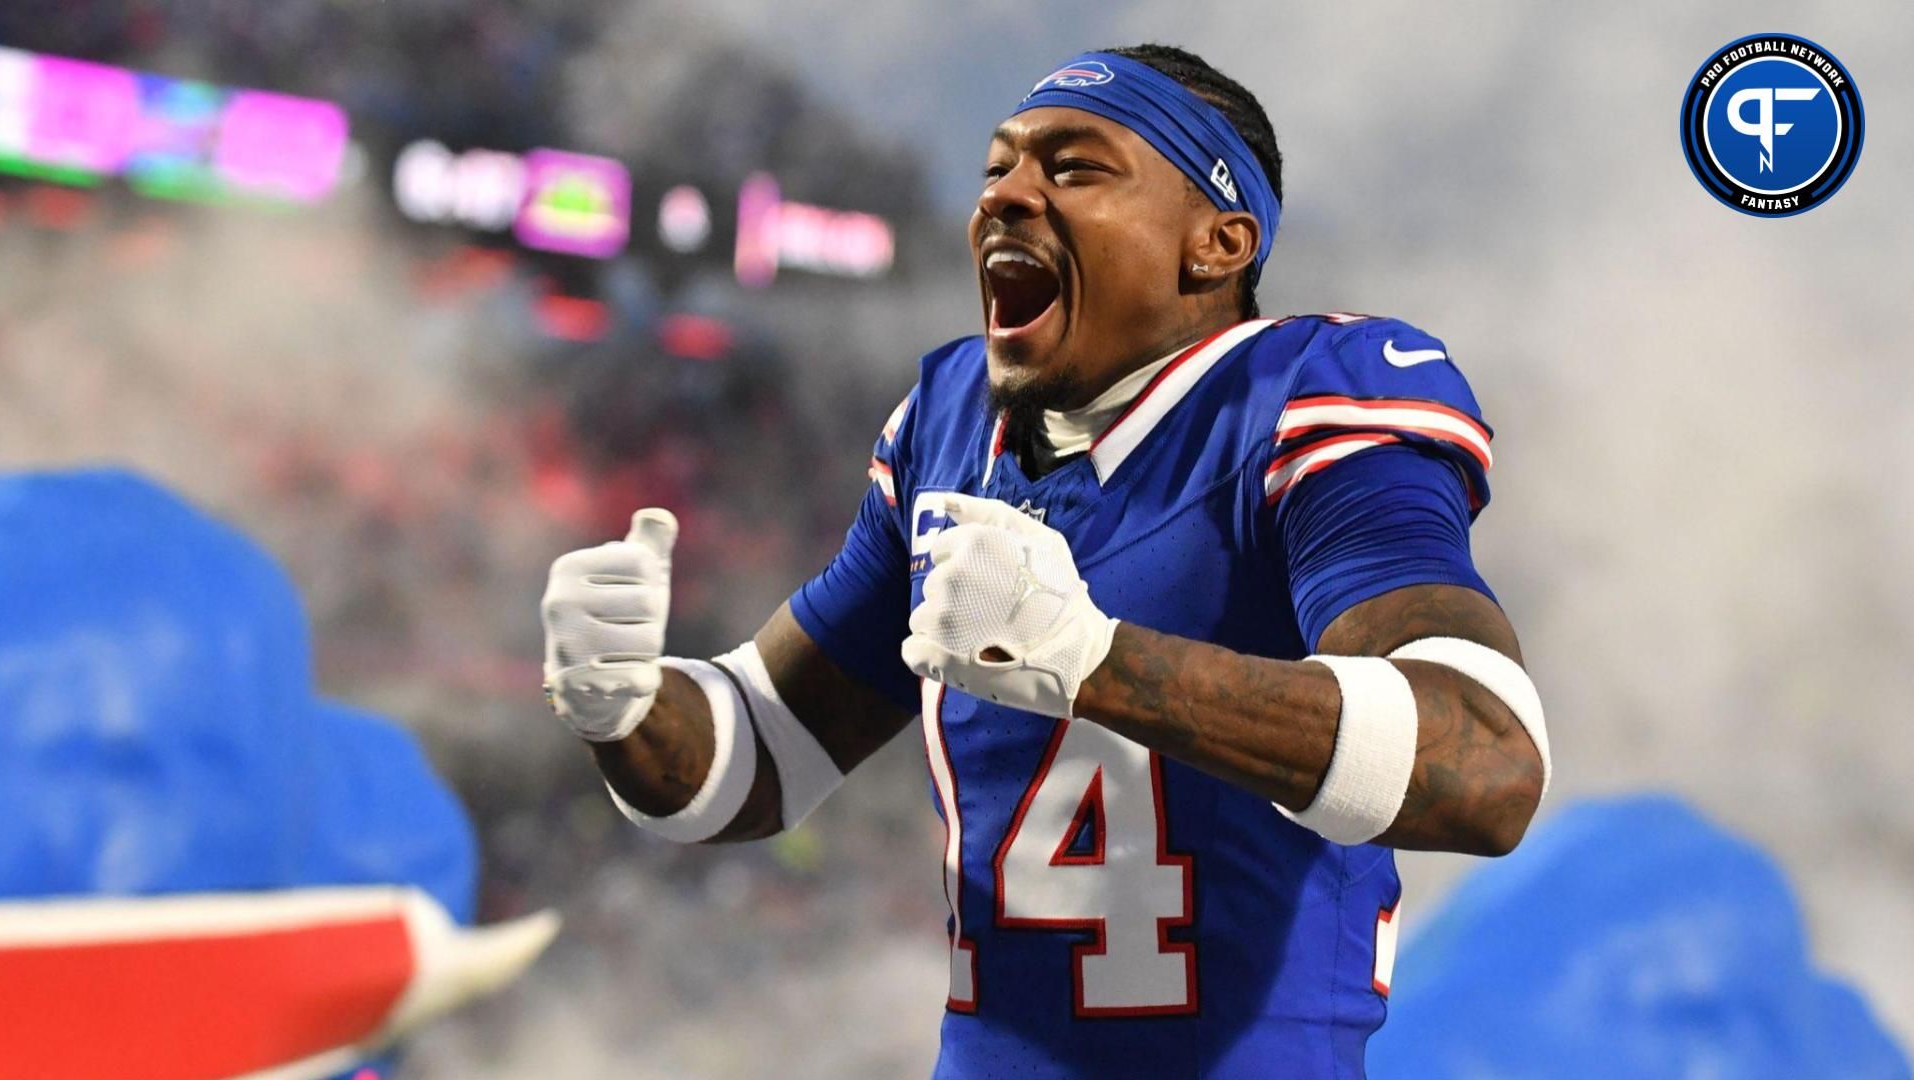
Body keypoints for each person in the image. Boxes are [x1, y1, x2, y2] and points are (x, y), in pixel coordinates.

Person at [540, 43, 1550, 1078]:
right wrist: (624, 705)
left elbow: (1486, 765)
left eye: (1073, 168)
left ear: (1216, 242)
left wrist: (1093, 661)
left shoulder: (1310, 398)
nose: (1008, 197)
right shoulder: (944, 428)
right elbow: (754, 757)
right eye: (999, 168)